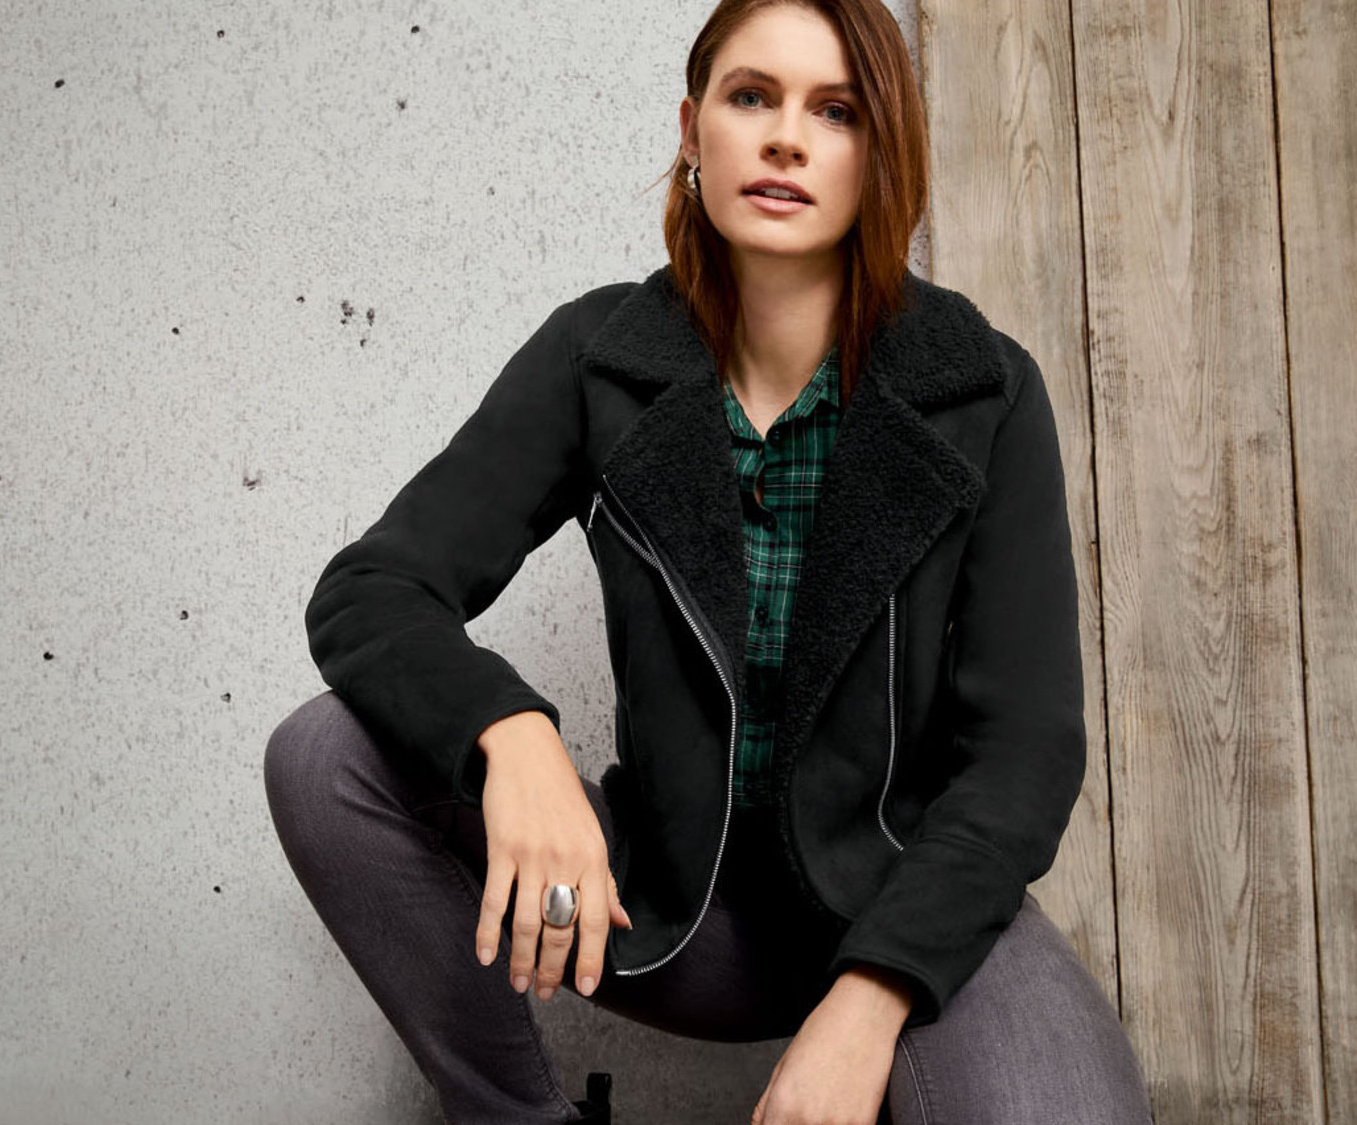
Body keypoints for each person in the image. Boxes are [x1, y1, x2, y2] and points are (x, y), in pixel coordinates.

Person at [264, 1, 1156, 1122]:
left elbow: (1024, 757)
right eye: (752, 97)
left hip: (907, 904)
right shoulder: (600, 357)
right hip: (664, 909)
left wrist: (870, 999)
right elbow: (373, 590)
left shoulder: (984, 388)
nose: (786, 138)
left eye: (836, 112)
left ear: (882, 153)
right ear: (694, 131)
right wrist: (511, 736)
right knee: (324, 755)